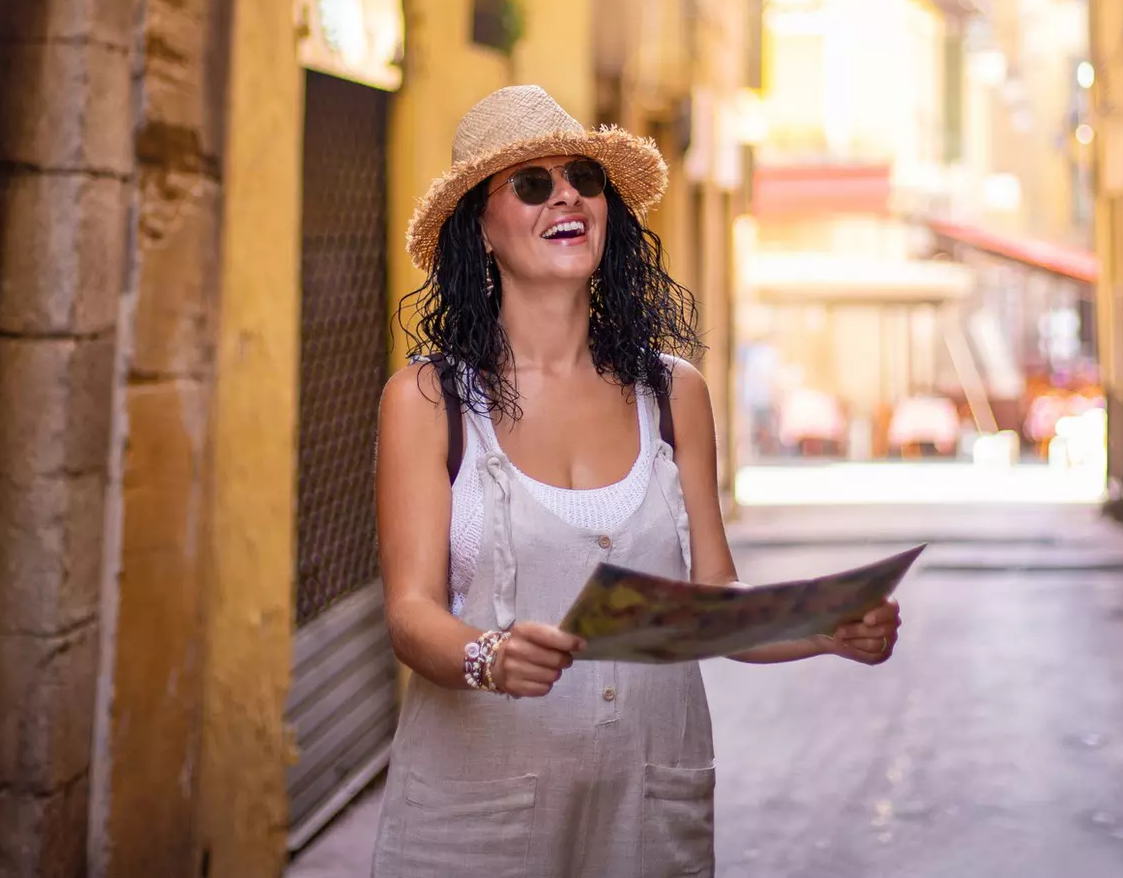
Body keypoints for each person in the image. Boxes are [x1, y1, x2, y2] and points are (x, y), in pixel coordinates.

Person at [370, 86, 902, 877]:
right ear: (479, 229)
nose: (567, 195)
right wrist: (487, 654)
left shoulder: (673, 392)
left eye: (584, 176)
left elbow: (709, 600)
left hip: (647, 818)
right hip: (474, 824)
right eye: (531, 182)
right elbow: (410, 611)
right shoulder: (429, 400)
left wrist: (825, 628)